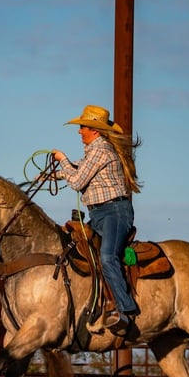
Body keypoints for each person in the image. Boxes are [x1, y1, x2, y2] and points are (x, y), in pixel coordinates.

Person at [49, 104, 142, 333]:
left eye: (82, 127)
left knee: (107, 257)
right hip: (100, 213)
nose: (79, 131)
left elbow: (77, 181)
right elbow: (78, 170)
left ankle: (125, 309)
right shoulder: (93, 151)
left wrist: (62, 159)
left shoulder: (101, 150)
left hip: (114, 212)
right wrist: (54, 175)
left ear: (94, 130)